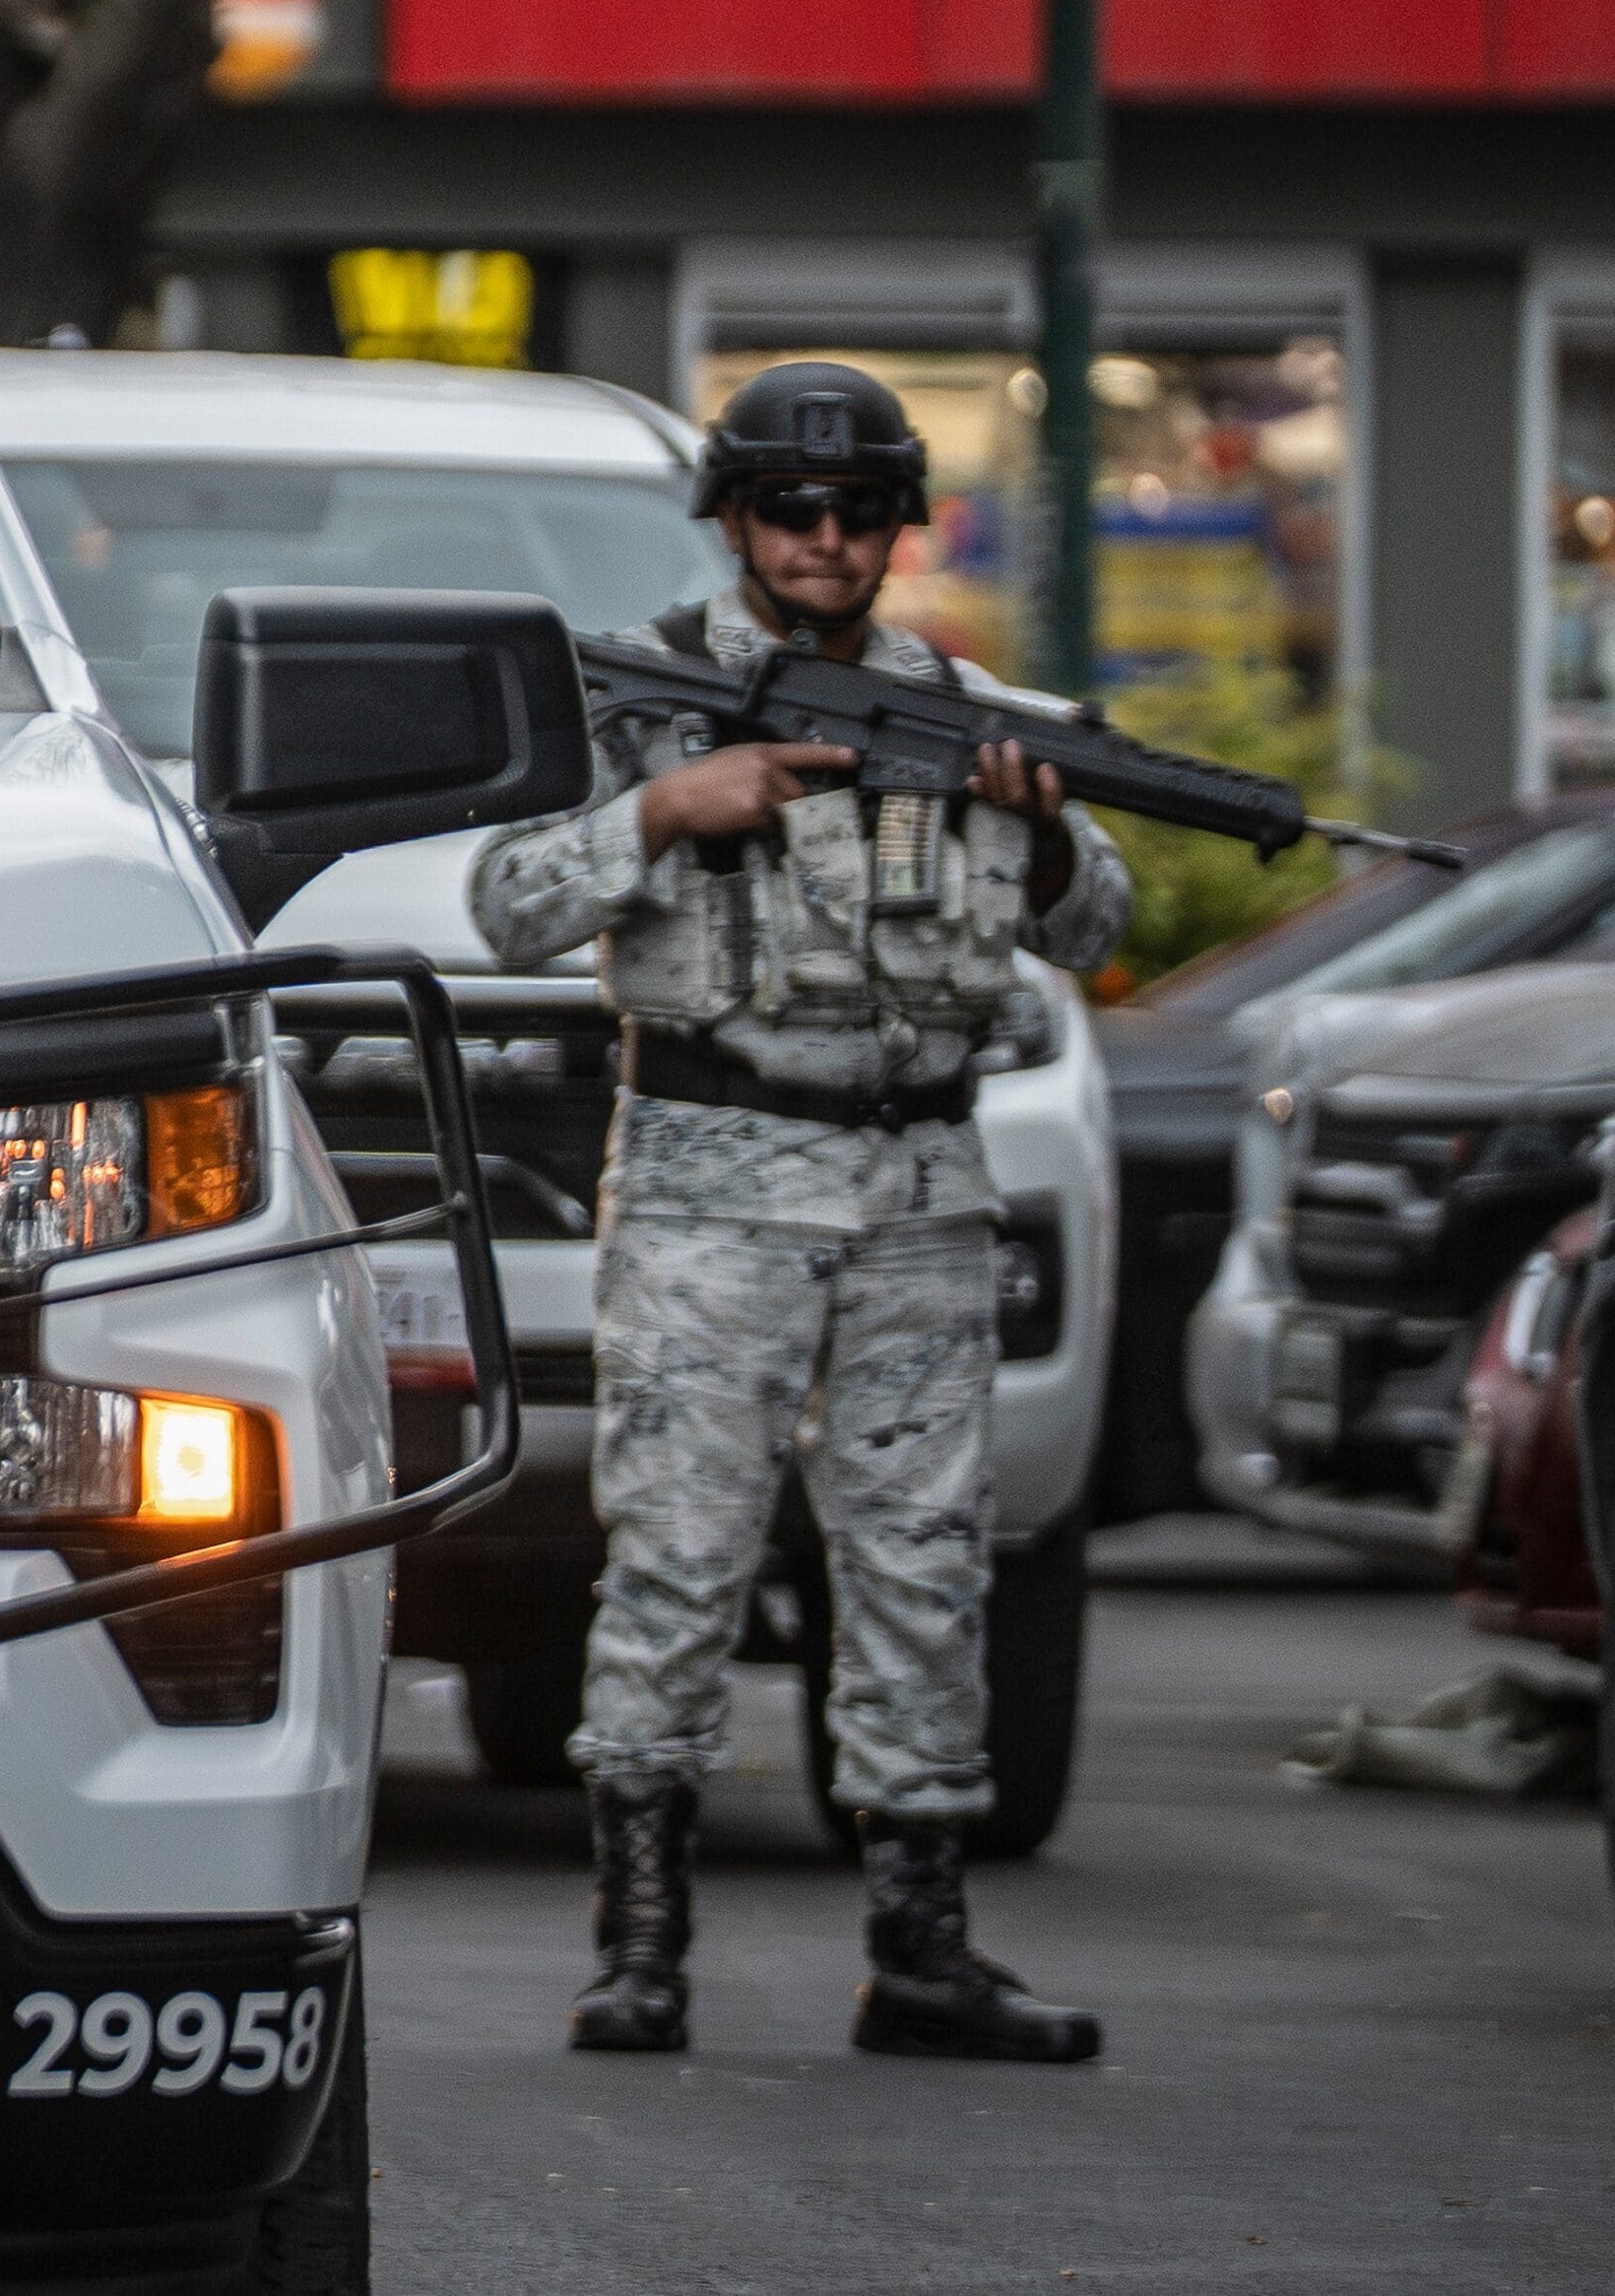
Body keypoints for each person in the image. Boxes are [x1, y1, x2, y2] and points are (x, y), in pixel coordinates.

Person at [461, 361, 1109, 2066]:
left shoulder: (965, 706)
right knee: (675, 1552)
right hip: (708, 1184)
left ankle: (918, 1942)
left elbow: (1096, 921)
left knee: (921, 1564)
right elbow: (503, 900)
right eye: (786, 508)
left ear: (902, 523)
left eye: (858, 510)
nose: (824, 539)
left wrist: (1037, 845)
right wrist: (662, 811)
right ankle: (641, 1940)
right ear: (734, 518)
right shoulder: (649, 700)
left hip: (917, 1186)